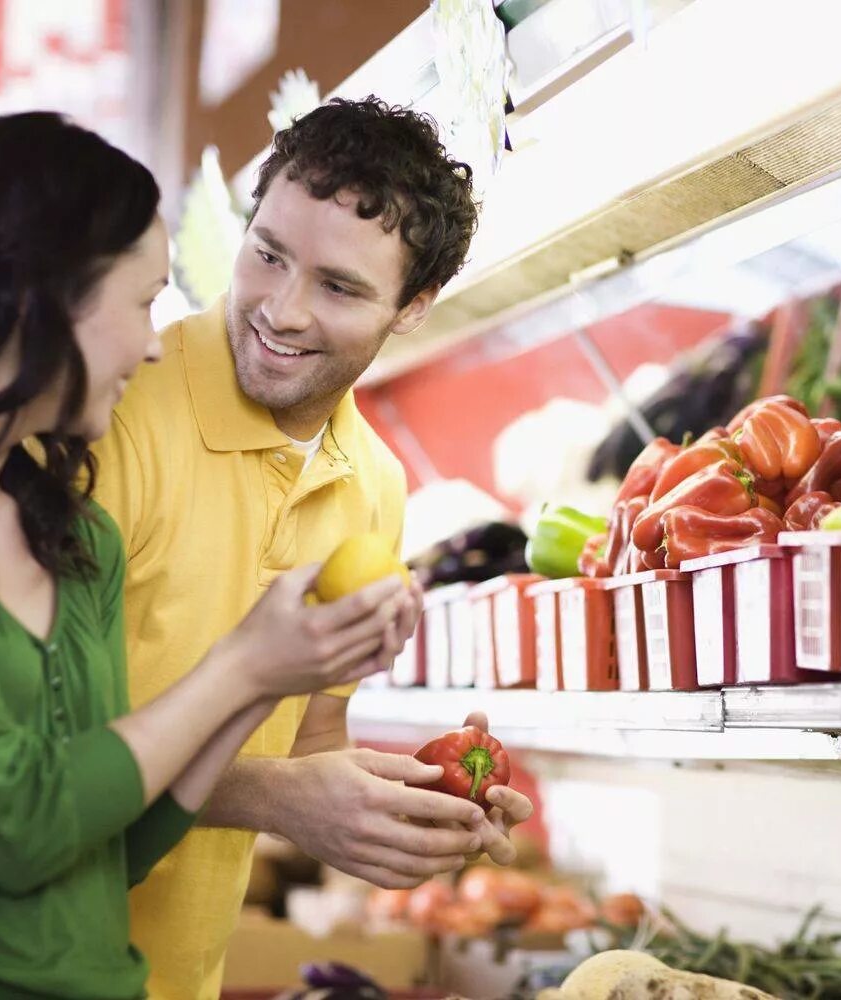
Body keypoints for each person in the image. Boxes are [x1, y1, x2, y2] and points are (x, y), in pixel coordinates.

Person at [0, 112, 411, 1000]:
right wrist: (243, 666)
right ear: (37, 300)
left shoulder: (66, 529)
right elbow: (19, 824)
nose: (154, 342)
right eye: (142, 303)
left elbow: (116, 841)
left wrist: (273, 671)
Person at [91, 96, 534, 999]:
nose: (281, 310)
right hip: (23, 967)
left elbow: (308, 736)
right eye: (268, 255)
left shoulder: (371, 484)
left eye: (338, 287)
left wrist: (406, 805)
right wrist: (274, 800)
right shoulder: (113, 413)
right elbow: (23, 761)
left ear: (413, 307)